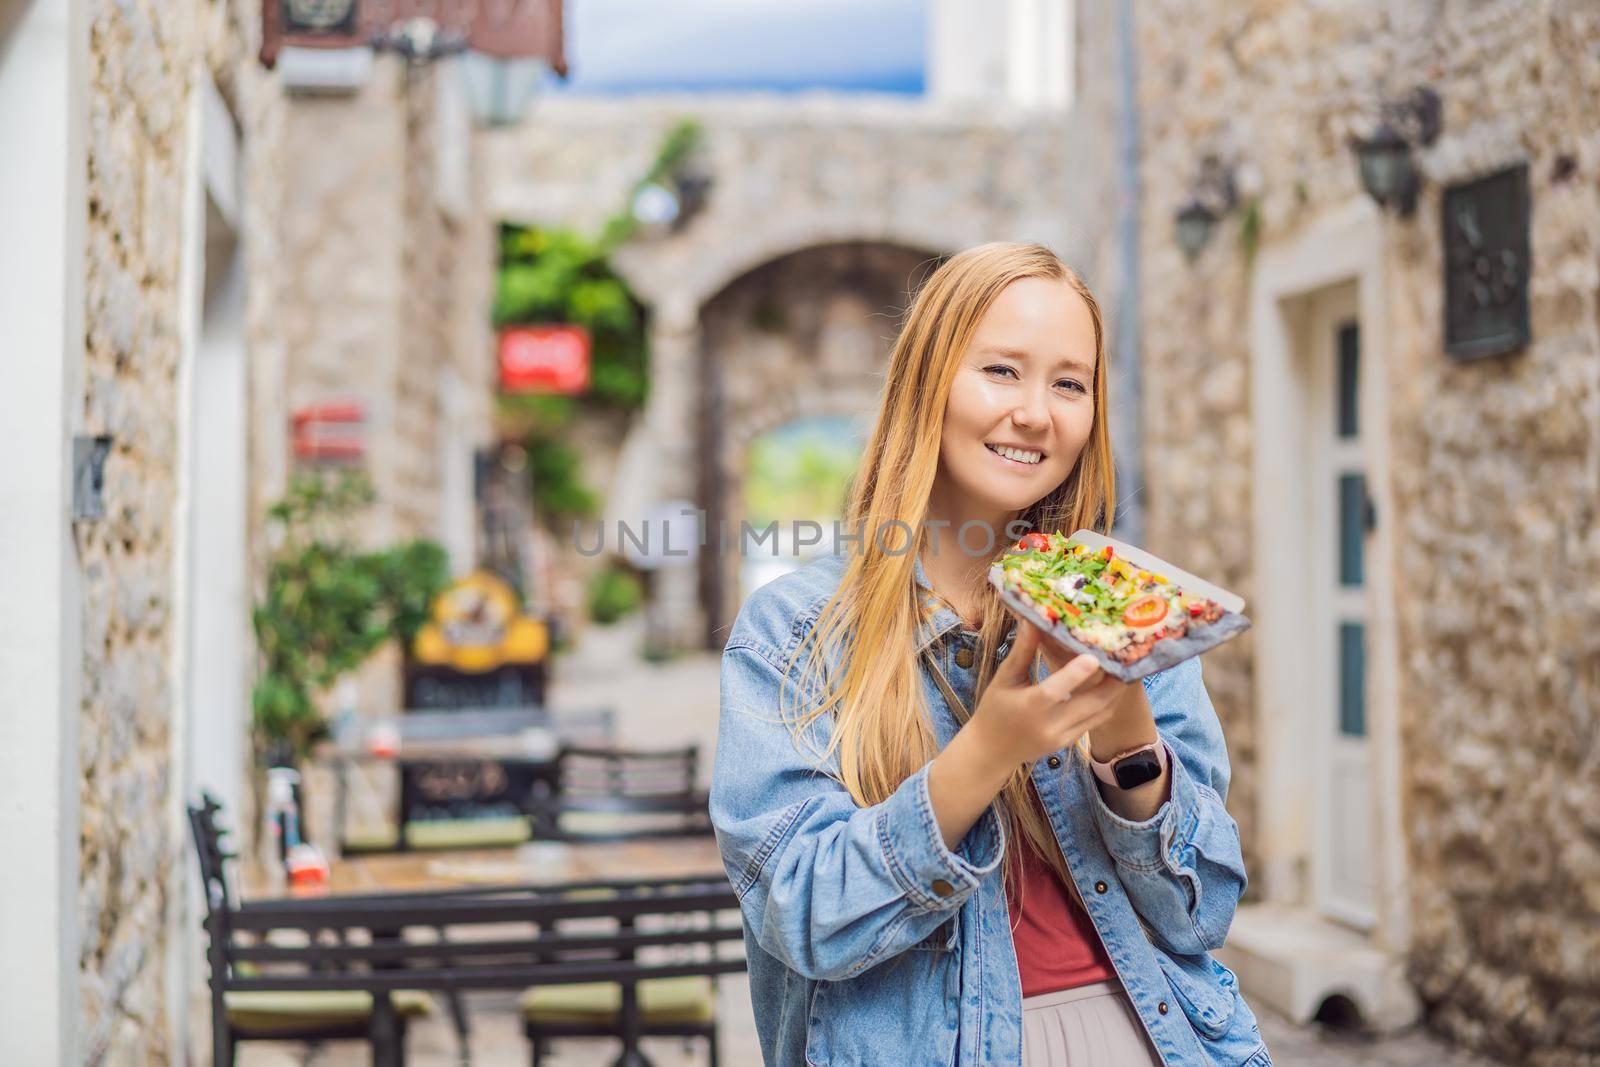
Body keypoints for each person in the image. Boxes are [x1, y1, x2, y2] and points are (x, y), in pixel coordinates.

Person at [708, 242, 1272, 1066]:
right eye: (1003, 371)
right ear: (927, 383)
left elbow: (1200, 913)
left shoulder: (1121, 602)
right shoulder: (795, 632)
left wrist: (1128, 738)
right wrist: (988, 750)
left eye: (1069, 383)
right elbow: (802, 912)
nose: (1037, 412)